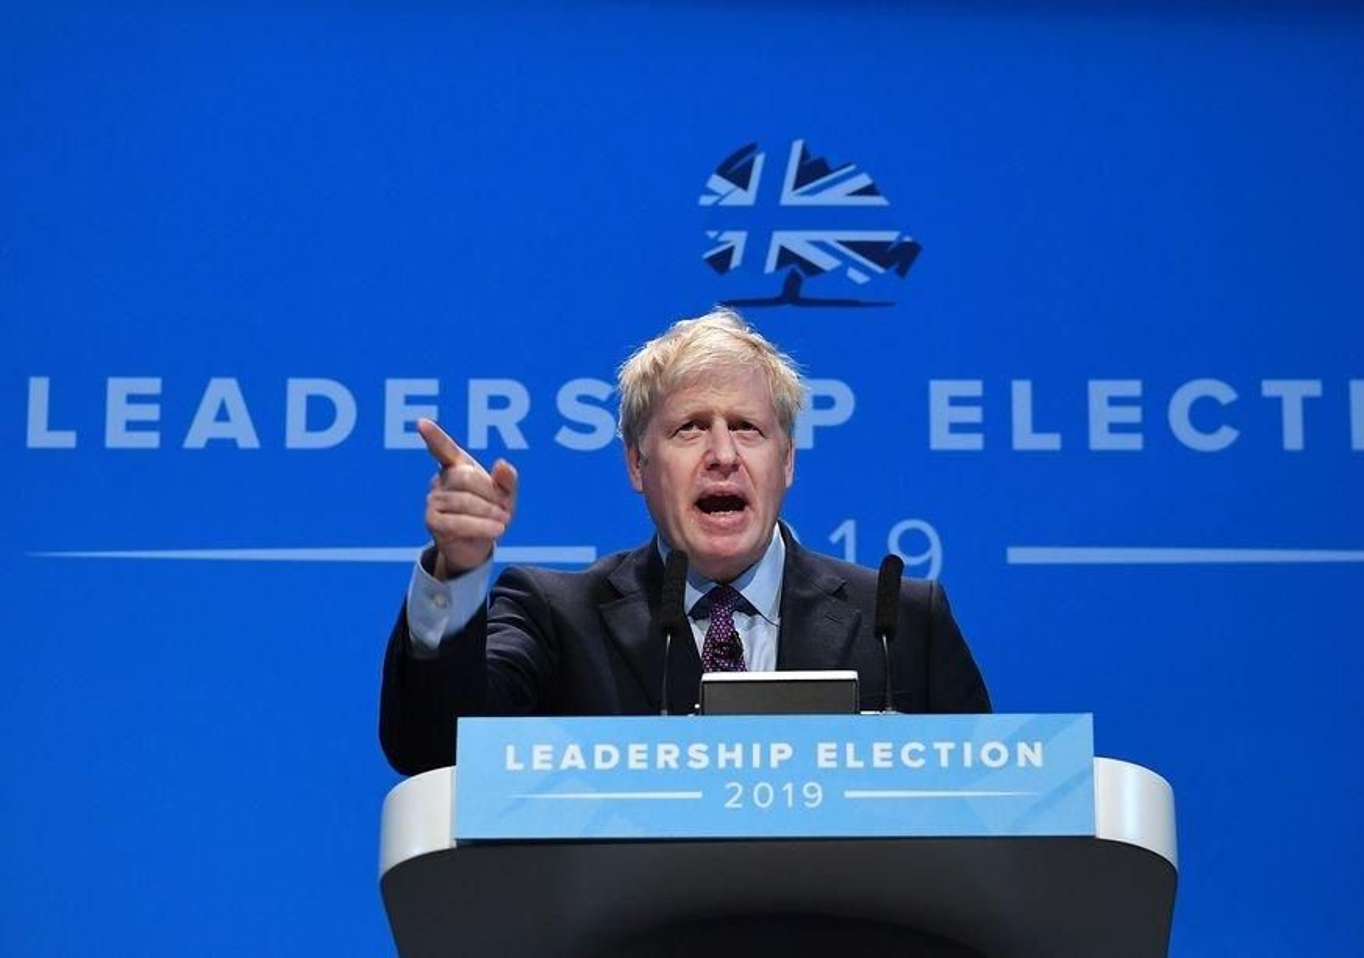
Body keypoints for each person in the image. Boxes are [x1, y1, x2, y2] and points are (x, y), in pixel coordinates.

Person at [379, 309, 990, 775]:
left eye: (747, 428)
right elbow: (436, 751)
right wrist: (457, 571)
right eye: (690, 427)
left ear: (787, 464)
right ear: (638, 466)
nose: (722, 455)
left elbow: (987, 819)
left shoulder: (904, 623)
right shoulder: (556, 617)